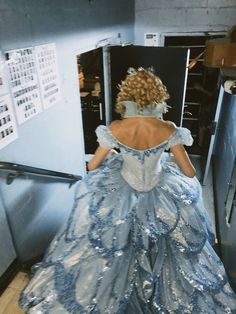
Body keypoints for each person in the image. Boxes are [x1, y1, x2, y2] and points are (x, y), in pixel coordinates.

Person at [19, 68, 236, 313]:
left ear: (127, 94)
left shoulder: (116, 128)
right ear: (157, 94)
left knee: (116, 243)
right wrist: (165, 160)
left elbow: (92, 165)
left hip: (122, 193)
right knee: (168, 245)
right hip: (159, 192)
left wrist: (118, 154)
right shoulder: (168, 128)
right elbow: (189, 173)